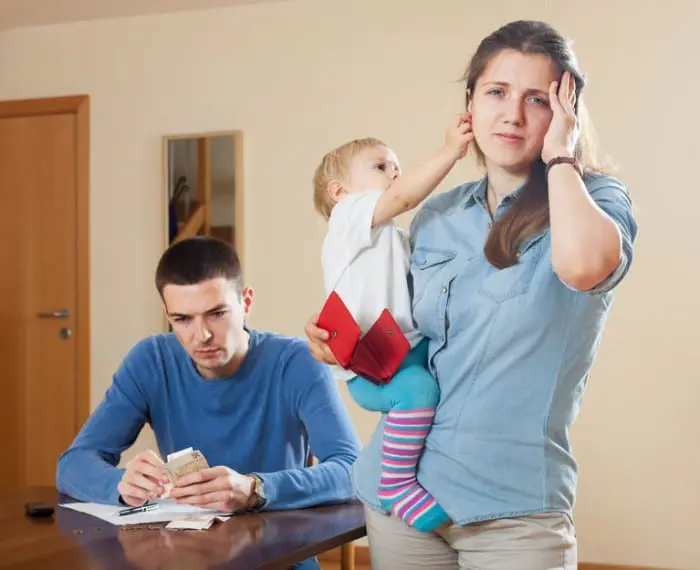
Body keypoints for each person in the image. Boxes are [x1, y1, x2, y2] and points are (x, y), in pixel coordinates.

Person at [305, 19, 638, 570]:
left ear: (566, 113)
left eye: (538, 99)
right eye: (497, 92)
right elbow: (400, 321)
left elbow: (583, 267)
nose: (512, 114)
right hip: (401, 504)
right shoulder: (436, 212)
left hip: (514, 514)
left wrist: (561, 157)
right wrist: (334, 336)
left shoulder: (596, 198)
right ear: (470, 103)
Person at [57, 236, 361, 570]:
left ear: (246, 302)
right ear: (167, 314)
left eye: (216, 314)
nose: (201, 335)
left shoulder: (297, 363)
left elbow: (351, 469)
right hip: (185, 557)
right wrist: (119, 484)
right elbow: (73, 464)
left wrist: (255, 489)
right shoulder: (150, 360)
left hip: (281, 555)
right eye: (182, 319)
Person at [310, 119, 471, 533]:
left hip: (402, 348)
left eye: (395, 165)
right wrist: (450, 150)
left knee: (434, 381)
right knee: (419, 391)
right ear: (340, 192)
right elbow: (403, 196)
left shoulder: (389, 238)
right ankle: (396, 482)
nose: (394, 173)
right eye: (380, 166)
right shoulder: (348, 218)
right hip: (371, 364)